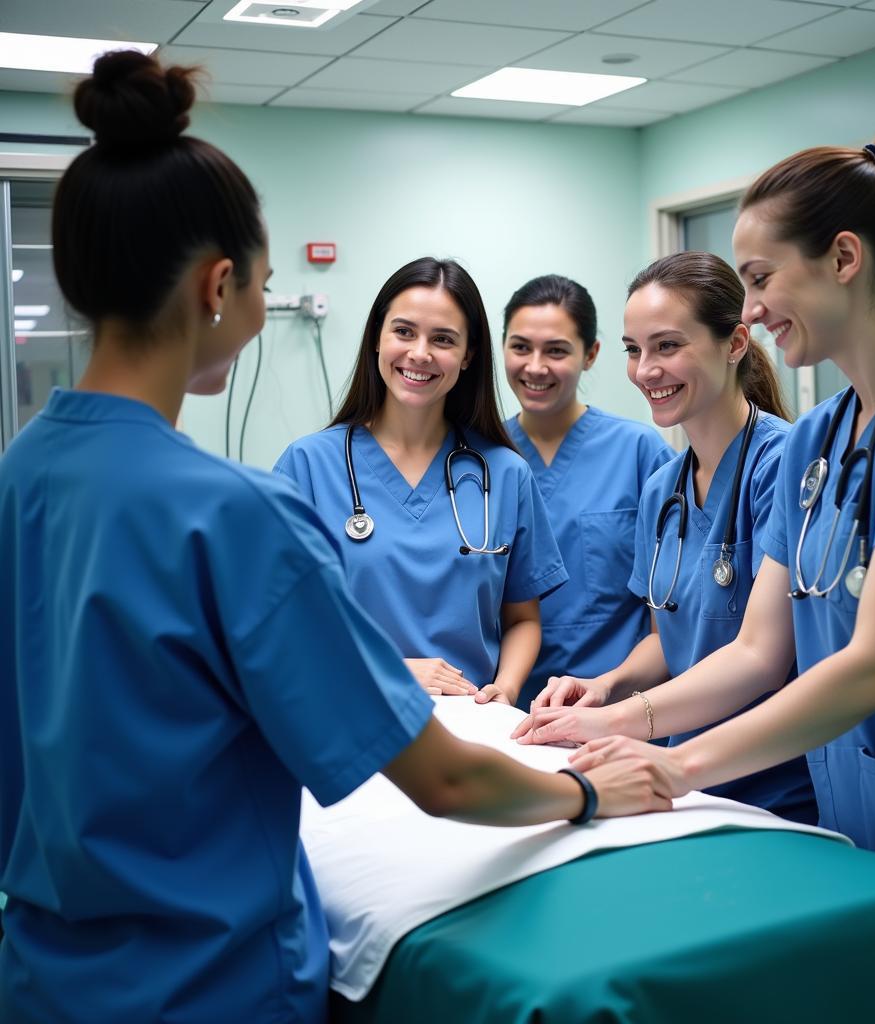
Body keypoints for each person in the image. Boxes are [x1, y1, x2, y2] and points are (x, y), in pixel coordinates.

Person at [0, 52, 672, 1024]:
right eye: (265, 285)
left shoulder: (23, 476)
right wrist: (584, 791)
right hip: (207, 982)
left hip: (48, 976)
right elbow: (438, 778)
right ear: (219, 285)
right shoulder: (234, 510)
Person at [517, 130, 875, 973]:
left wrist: (677, 765)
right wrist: (615, 727)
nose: (748, 308)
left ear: (845, 258)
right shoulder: (822, 436)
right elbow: (760, 651)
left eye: (760, 279)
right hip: (848, 813)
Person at [517, 254, 816, 824]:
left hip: (775, 784)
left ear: (734, 344)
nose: (645, 370)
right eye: (634, 349)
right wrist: (605, 686)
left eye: (668, 346)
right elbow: (670, 638)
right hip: (688, 781)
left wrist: (615, 722)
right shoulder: (663, 489)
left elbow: (762, 658)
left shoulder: (783, 466)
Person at [274, 258, 567, 707]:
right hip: (346, 712)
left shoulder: (506, 474)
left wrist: (505, 690)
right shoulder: (309, 465)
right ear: (377, 338)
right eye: (404, 332)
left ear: (468, 355)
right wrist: (393, 668)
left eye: (443, 339)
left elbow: (523, 618)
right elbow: (280, 619)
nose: (420, 353)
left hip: (471, 723)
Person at [501, 275, 672, 709]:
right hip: (506, 708)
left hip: (618, 705)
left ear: (591, 354)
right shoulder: (481, 460)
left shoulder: (639, 452)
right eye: (520, 347)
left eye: (556, 350)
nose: (535, 366)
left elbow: (667, 617)